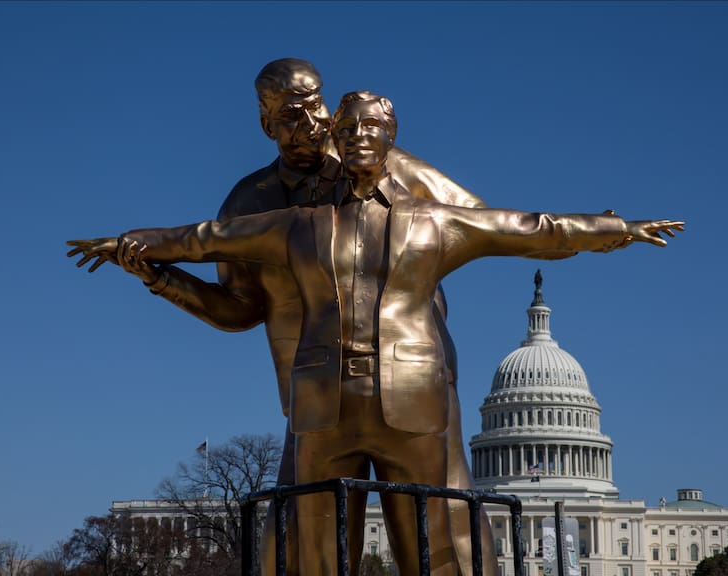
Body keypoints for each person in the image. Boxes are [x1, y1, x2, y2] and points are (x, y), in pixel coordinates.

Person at [68, 90, 683, 575]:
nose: (361, 138)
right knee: (313, 548)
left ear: (392, 140)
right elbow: (205, 238)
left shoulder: (437, 221)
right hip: (322, 401)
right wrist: (133, 246)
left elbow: (532, 229)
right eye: (350, 129)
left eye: (373, 129)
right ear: (335, 137)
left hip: (412, 396)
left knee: (436, 543)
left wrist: (616, 228)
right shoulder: (296, 223)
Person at [73, 58, 498, 576]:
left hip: (406, 375)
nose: (314, 124)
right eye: (294, 115)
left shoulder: (377, 162)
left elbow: (474, 222)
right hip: (314, 390)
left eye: (317, 105)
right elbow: (238, 310)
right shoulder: (248, 203)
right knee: (297, 546)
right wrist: (162, 279)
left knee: (442, 533)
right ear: (266, 125)